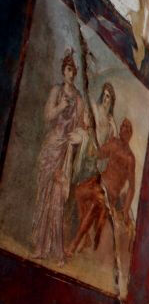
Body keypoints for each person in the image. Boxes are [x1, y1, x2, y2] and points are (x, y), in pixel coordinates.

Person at [31, 49, 87, 262]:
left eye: (73, 70)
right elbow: (47, 115)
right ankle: (39, 246)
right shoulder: (56, 91)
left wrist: (82, 135)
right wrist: (60, 107)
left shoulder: (80, 99)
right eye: (68, 69)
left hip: (65, 151)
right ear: (63, 70)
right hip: (52, 146)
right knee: (45, 195)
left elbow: (82, 127)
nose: (71, 74)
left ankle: (56, 249)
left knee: (58, 199)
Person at [68, 118, 136, 257]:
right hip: (98, 183)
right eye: (123, 126)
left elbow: (132, 188)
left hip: (110, 194)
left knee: (94, 204)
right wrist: (93, 136)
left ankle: (73, 245)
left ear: (130, 134)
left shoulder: (130, 158)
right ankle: (86, 237)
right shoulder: (114, 143)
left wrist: (126, 209)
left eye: (127, 128)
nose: (124, 129)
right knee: (79, 191)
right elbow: (98, 155)